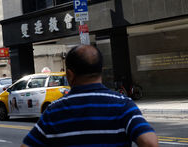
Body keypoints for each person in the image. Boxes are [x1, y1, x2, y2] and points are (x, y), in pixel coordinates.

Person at [21, 45, 158, 147]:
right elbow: (150, 143)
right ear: (100, 71)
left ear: (69, 74)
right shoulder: (123, 104)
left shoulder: (53, 111)